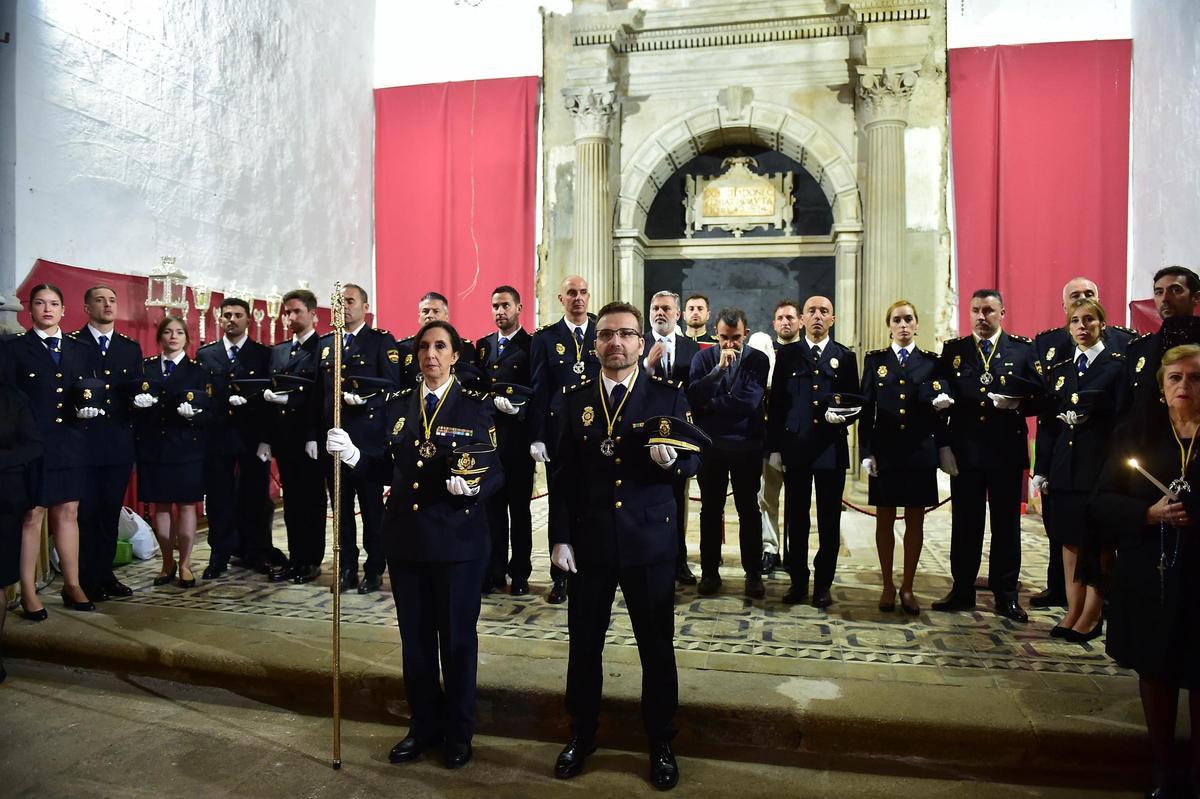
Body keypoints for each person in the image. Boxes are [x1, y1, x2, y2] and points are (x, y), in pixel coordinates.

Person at [326, 320, 499, 770]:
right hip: (406, 542)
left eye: (441, 346)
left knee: (458, 643)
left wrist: (475, 487)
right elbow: (388, 468)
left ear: (455, 355)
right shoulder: (399, 405)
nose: (431, 355)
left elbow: (495, 469)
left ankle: (459, 733)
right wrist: (354, 456)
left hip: (458, 543)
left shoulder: (474, 407)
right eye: (424, 347)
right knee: (415, 643)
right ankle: (422, 727)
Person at [549, 301, 702, 791]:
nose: (616, 342)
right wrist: (559, 538)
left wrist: (673, 463)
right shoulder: (574, 399)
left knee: (656, 648)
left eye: (626, 334)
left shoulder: (668, 396)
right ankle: (581, 733)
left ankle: (660, 740)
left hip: (648, 542)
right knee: (584, 646)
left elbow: (695, 460)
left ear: (641, 343)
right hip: (590, 543)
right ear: (595, 345)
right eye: (606, 335)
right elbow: (563, 476)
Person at [1091, 344, 1200, 798]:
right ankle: (1162, 767)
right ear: (1160, 388)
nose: (1184, 386)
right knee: (1155, 670)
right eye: (1174, 378)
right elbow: (1101, 501)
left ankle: (1197, 776)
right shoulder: (1135, 435)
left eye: (1195, 378)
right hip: (1149, 571)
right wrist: (1149, 514)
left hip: (1198, 575)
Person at [931, 289, 1040, 622]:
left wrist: (1019, 403)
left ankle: (1006, 595)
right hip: (966, 452)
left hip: (1005, 451)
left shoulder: (1021, 349)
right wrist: (943, 446)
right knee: (966, 524)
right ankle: (962, 589)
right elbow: (940, 395)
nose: (981, 316)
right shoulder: (955, 350)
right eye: (976, 310)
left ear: (1002, 313)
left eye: (988, 311)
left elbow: (1041, 395)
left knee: (1006, 526)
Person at [1030, 277, 1136, 610]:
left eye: (1089, 318)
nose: (1081, 325)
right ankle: (1073, 610)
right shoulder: (1062, 369)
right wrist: (1042, 469)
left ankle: (1093, 612)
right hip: (1066, 467)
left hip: (1099, 466)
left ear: (1102, 323)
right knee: (1068, 538)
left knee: (1100, 541)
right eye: (1075, 320)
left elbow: (1123, 421)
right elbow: (1048, 421)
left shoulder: (1117, 365)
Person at [1, 284, 98, 618]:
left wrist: (91, 410)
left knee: (68, 512)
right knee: (33, 515)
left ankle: (72, 584)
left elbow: (90, 390)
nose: (47, 309)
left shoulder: (79, 349)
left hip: (70, 442)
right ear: (30, 309)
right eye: (40, 303)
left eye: (54, 303)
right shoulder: (14, 349)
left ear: (63, 310)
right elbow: (9, 403)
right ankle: (28, 590)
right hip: (33, 446)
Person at [766, 295, 860, 609]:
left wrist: (844, 415)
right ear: (803, 319)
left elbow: (856, 401)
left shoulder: (844, 356)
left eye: (824, 311)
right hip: (796, 448)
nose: (817, 316)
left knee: (829, 520)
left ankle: (823, 584)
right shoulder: (789, 354)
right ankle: (798, 580)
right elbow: (777, 403)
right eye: (812, 311)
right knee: (797, 519)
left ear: (832, 319)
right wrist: (775, 448)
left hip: (830, 449)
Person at [859, 300, 941, 615]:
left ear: (917, 324)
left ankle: (907, 586)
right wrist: (866, 451)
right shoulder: (876, 362)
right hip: (887, 452)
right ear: (889, 325)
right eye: (897, 320)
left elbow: (939, 411)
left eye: (909, 319)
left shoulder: (931, 362)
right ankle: (887, 586)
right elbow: (867, 411)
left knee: (915, 522)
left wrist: (942, 449)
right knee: (884, 520)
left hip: (920, 452)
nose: (903, 325)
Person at [319, 283, 401, 594]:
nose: (344, 307)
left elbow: (393, 388)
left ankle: (374, 568)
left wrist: (367, 401)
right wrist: (315, 437)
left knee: (371, 510)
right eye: (339, 302)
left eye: (350, 301)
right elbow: (319, 394)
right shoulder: (327, 343)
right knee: (340, 511)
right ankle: (347, 566)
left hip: (368, 442)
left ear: (365, 306)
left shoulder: (380, 342)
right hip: (335, 442)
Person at [687, 307, 769, 599]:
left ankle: (753, 574)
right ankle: (710, 572)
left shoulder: (758, 360)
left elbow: (749, 402)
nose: (729, 344)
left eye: (735, 338)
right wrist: (718, 371)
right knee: (710, 510)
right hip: (711, 448)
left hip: (747, 447)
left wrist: (713, 404)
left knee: (749, 511)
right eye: (724, 338)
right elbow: (695, 397)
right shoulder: (703, 357)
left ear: (744, 334)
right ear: (716, 334)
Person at [529, 274, 600, 604]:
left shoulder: (603, 330)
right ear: (561, 299)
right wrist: (538, 437)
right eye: (572, 293)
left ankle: (593, 568)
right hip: (559, 433)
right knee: (561, 501)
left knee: (594, 500)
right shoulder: (546, 338)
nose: (579, 298)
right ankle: (560, 576)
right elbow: (539, 390)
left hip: (598, 431)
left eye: (583, 292)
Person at [196, 297, 279, 579]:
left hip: (253, 438)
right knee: (218, 498)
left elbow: (270, 403)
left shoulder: (262, 355)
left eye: (238, 315)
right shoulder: (207, 355)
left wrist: (268, 440)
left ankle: (258, 552)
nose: (232, 319)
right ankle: (219, 554)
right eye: (227, 315)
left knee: (256, 497)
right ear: (219, 320)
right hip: (218, 437)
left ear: (247, 320)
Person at [72, 285, 142, 602]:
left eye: (112, 300)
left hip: (117, 442)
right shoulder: (74, 345)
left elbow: (137, 390)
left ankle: (105, 573)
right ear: (87, 307)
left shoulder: (129, 348)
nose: (108, 304)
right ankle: (85, 579)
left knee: (110, 512)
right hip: (83, 443)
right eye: (100, 300)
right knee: (86, 514)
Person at [132, 315, 212, 589]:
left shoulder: (198, 370)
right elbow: (133, 405)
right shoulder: (146, 368)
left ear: (186, 339)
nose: (173, 336)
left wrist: (194, 415)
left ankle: (186, 563)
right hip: (154, 446)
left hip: (186, 446)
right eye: (168, 332)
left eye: (179, 332)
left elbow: (210, 412)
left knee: (188, 505)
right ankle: (167, 561)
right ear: (160, 337)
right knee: (160, 506)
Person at [473, 285, 534, 594]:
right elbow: (474, 388)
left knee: (520, 512)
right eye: (495, 306)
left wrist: (520, 411)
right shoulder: (482, 346)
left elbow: (539, 392)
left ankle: (520, 572)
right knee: (492, 512)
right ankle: (494, 569)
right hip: (490, 444)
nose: (500, 311)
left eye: (505, 305)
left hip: (519, 443)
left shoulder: (532, 345)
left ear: (519, 308)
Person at [262, 289, 327, 584]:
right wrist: (267, 438)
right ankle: (295, 558)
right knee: (292, 504)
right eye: (286, 312)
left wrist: (313, 433)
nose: (290, 317)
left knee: (311, 502)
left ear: (313, 314)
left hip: (308, 437)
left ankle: (311, 560)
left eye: (296, 311)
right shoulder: (277, 351)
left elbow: (319, 396)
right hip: (285, 437)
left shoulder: (322, 348)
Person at [642, 290, 700, 586]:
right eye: (655, 308)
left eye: (666, 308)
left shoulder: (692, 348)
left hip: (680, 435)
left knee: (678, 501)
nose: (660, 313)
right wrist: (646, 368)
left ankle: (679, 560)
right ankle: (647, 558)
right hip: (645, 435)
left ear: (678, 314)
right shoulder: (637, 344)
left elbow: (697, 392)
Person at [756, 299, 803, 574]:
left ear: (799, 322)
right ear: (774, 324)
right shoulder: (764, 355)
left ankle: (793, 551)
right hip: (768, 437)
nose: (785, 322)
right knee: (767, 499)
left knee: (797, 501)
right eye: (780, 318)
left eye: (790, 317)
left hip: (797, 440)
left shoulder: (807, 354)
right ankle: (770, 548)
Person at [1126, 266, 1200, 414]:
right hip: (1149, 435)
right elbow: (1126, 407)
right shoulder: (1138, 349)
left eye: (1176, 290)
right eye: (1159, 292)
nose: (1165, 299)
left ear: (1196, 297)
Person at [397, 292, 474, 386]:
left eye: (436, 311)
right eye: (425, 311)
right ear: (419, 317)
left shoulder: (464, 348)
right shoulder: (403, 348)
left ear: (446, 317)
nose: (429, 315)